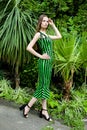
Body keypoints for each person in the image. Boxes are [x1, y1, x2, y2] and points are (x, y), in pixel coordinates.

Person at [20, 14, 62, 121]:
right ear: (40, 22)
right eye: (44, 21)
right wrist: (40, 56)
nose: (46, 23)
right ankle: (28, 107)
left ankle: (44, 110)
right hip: (43, 63)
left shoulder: (47, 35)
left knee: (45, 86)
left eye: (47, 21)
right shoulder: (38, 35)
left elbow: (59, 36)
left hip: (49, 64)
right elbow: (28, 47)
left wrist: (53, 25)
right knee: (42, 86)